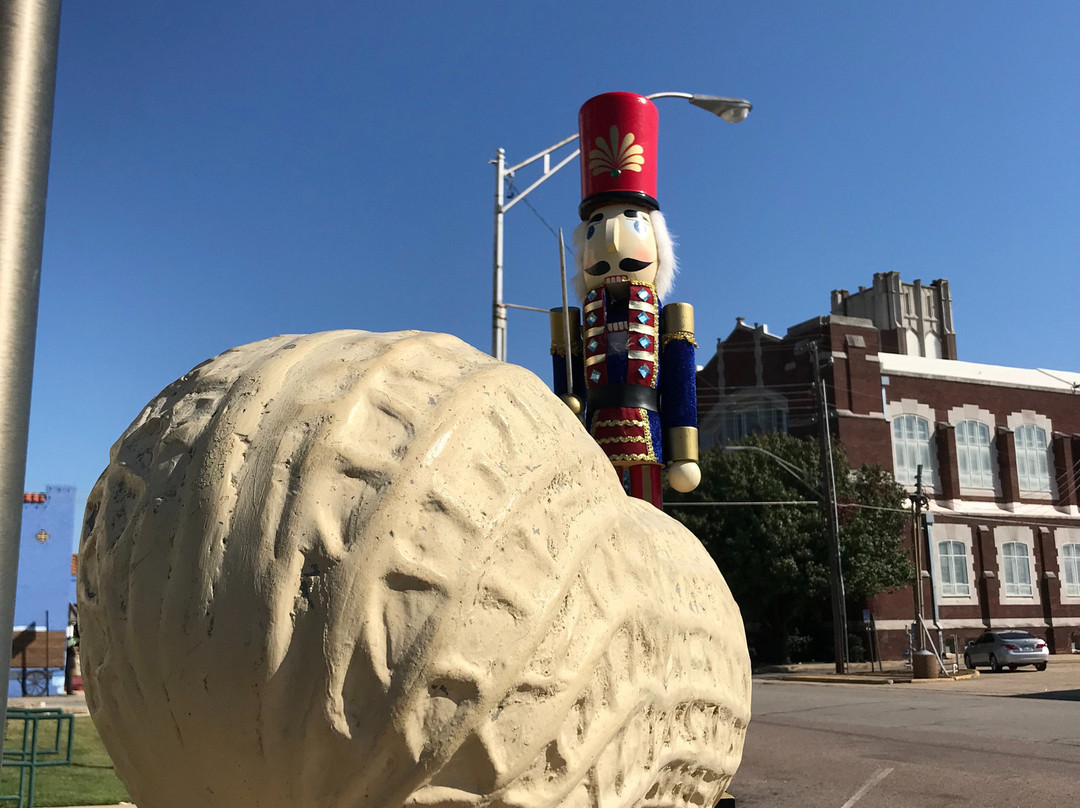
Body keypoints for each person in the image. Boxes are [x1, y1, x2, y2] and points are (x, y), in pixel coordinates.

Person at [551, 91, 700, 509]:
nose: (612, 242)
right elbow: (569, 381)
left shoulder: (666, 319)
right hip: (592, 438)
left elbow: (679, 387)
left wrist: (685, 454)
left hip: (646, 439)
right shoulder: (580, 320)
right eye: (596, 228)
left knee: (645, 522)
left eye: (632, 224)